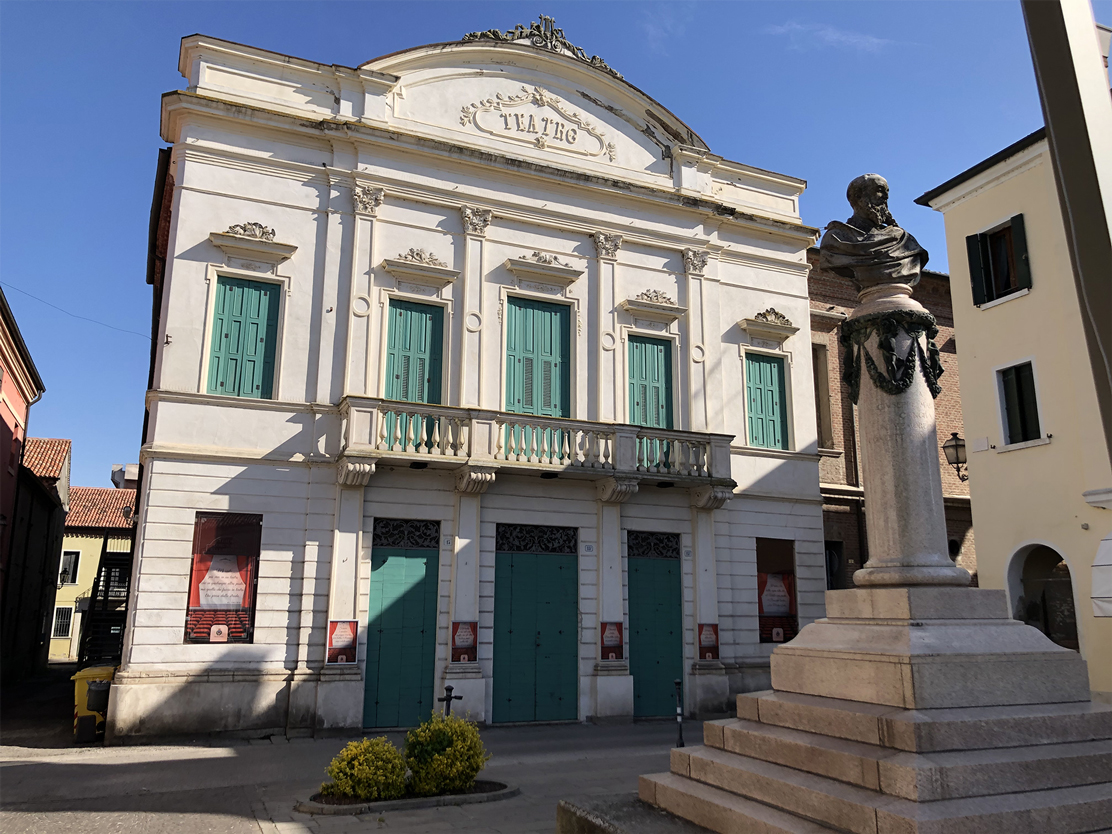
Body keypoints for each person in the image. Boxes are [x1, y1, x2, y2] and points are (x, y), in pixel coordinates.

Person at [819, 173, 929, 291]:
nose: (886, 197)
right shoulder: (835, 239)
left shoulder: (904, 240)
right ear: (858, 197)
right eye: (880, 190)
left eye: (887, 192)